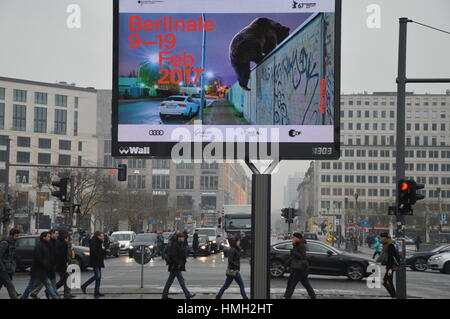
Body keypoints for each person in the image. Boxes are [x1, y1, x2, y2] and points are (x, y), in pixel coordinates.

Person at [20, 232, 60, 299]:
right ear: (43, 237)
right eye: (48, 237)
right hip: (37, 270)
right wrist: (45, 264)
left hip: (42, 270)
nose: (49, 238)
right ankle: (24, 297)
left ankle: (24, 297)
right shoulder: (39, 245)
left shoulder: (47, 245)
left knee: (48, 284)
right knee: (31, 285)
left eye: (49, 237)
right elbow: (38, 257)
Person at [161, 232, 196, 299]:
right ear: (178, 238)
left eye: (183, 237)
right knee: (181, 281)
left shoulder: (180, 244)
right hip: (175, 265)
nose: (183, 238)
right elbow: (174, 256)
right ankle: (187, 294)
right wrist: (179, 263)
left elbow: (183, 253)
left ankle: (164, 295)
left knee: (170, 281)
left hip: (175, 265)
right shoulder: (175, 245)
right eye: (182, 237)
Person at [283, 232, 316, 299]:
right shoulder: (296, 245)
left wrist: (293, 252)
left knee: (292, 284)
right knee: (305, 284)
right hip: (297, 268)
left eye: (294, 237)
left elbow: (302, 257)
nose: (292, 239)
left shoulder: (301, 245)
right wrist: (286, 265)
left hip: (300, 269)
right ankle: (313, 296)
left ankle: (287, 296)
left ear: (298, 238)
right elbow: (292, 258)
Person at [30, 229, 58, 299]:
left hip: (49, 266)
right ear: (51, 234)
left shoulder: (53, 242)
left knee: (46, 282)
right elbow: (41, 256)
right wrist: (46, 264)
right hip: (47, 266)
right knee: (48, 282)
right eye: (56, 233)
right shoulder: (47, 243)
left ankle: (33, 293)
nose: (57, 235)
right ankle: (55, 295)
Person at [81, 231, 106, 298]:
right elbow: (94, 252)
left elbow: (99, 251)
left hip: (98, 261)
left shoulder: (98, 241)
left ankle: (96, 292)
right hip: (95, 261)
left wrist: (105, 251)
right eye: (102, 236)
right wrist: (99, 256)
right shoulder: (94, 242)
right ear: (98, 236)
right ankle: (84, 285)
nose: (103, 237)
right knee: (97, 276)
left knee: (98, 277)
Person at [0, 228, 21, 299]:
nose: (18, 238)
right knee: (10, 285)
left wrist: (13, 265)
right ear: (11, 235)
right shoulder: (5, 243)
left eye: (18, 236)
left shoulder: (12, 243)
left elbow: (11, 257)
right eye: (16, 236)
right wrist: (2, 268)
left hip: (8, 268)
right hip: (3, 269)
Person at [379, 232, 399, 299]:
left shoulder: (390, 245)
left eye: (381, 237)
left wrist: (390, 269)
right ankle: (394, 296)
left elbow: (391, 257)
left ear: (385, 238)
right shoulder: (386, 244)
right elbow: (384, 255)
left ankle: (393, 296)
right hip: (389, 266)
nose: (380, 238)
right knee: (390, 282)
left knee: (384, 282)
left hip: (391, 266)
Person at [55, 230, 72, 299]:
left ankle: (50, 290)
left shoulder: (57, 242)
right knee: (67, 280)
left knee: (63, 280)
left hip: (59, 265)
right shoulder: (64, 244)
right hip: (63, 265)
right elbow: (67, 255)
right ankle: (67, 295)